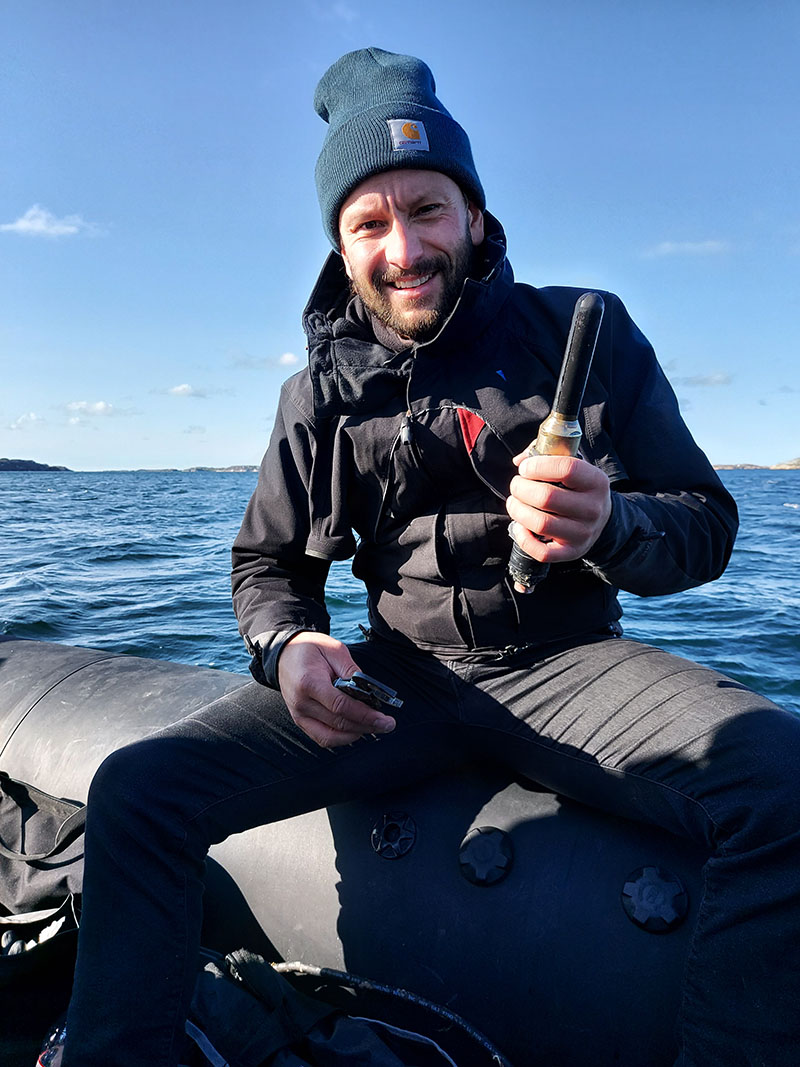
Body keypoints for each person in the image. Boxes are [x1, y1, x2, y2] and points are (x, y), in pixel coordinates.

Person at [60, 48, 800, 1067]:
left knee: (780, 784)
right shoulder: (315, 395)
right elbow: (265, 567)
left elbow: (704, 525)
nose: (403, 248)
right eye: (370, 223)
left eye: (427, 209)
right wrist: (287, 647)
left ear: (476, 218)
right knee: (138, 789)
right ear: (340, 246)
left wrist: (610, 525)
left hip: (571, 666)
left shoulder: (584, 333)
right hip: (396, 681)